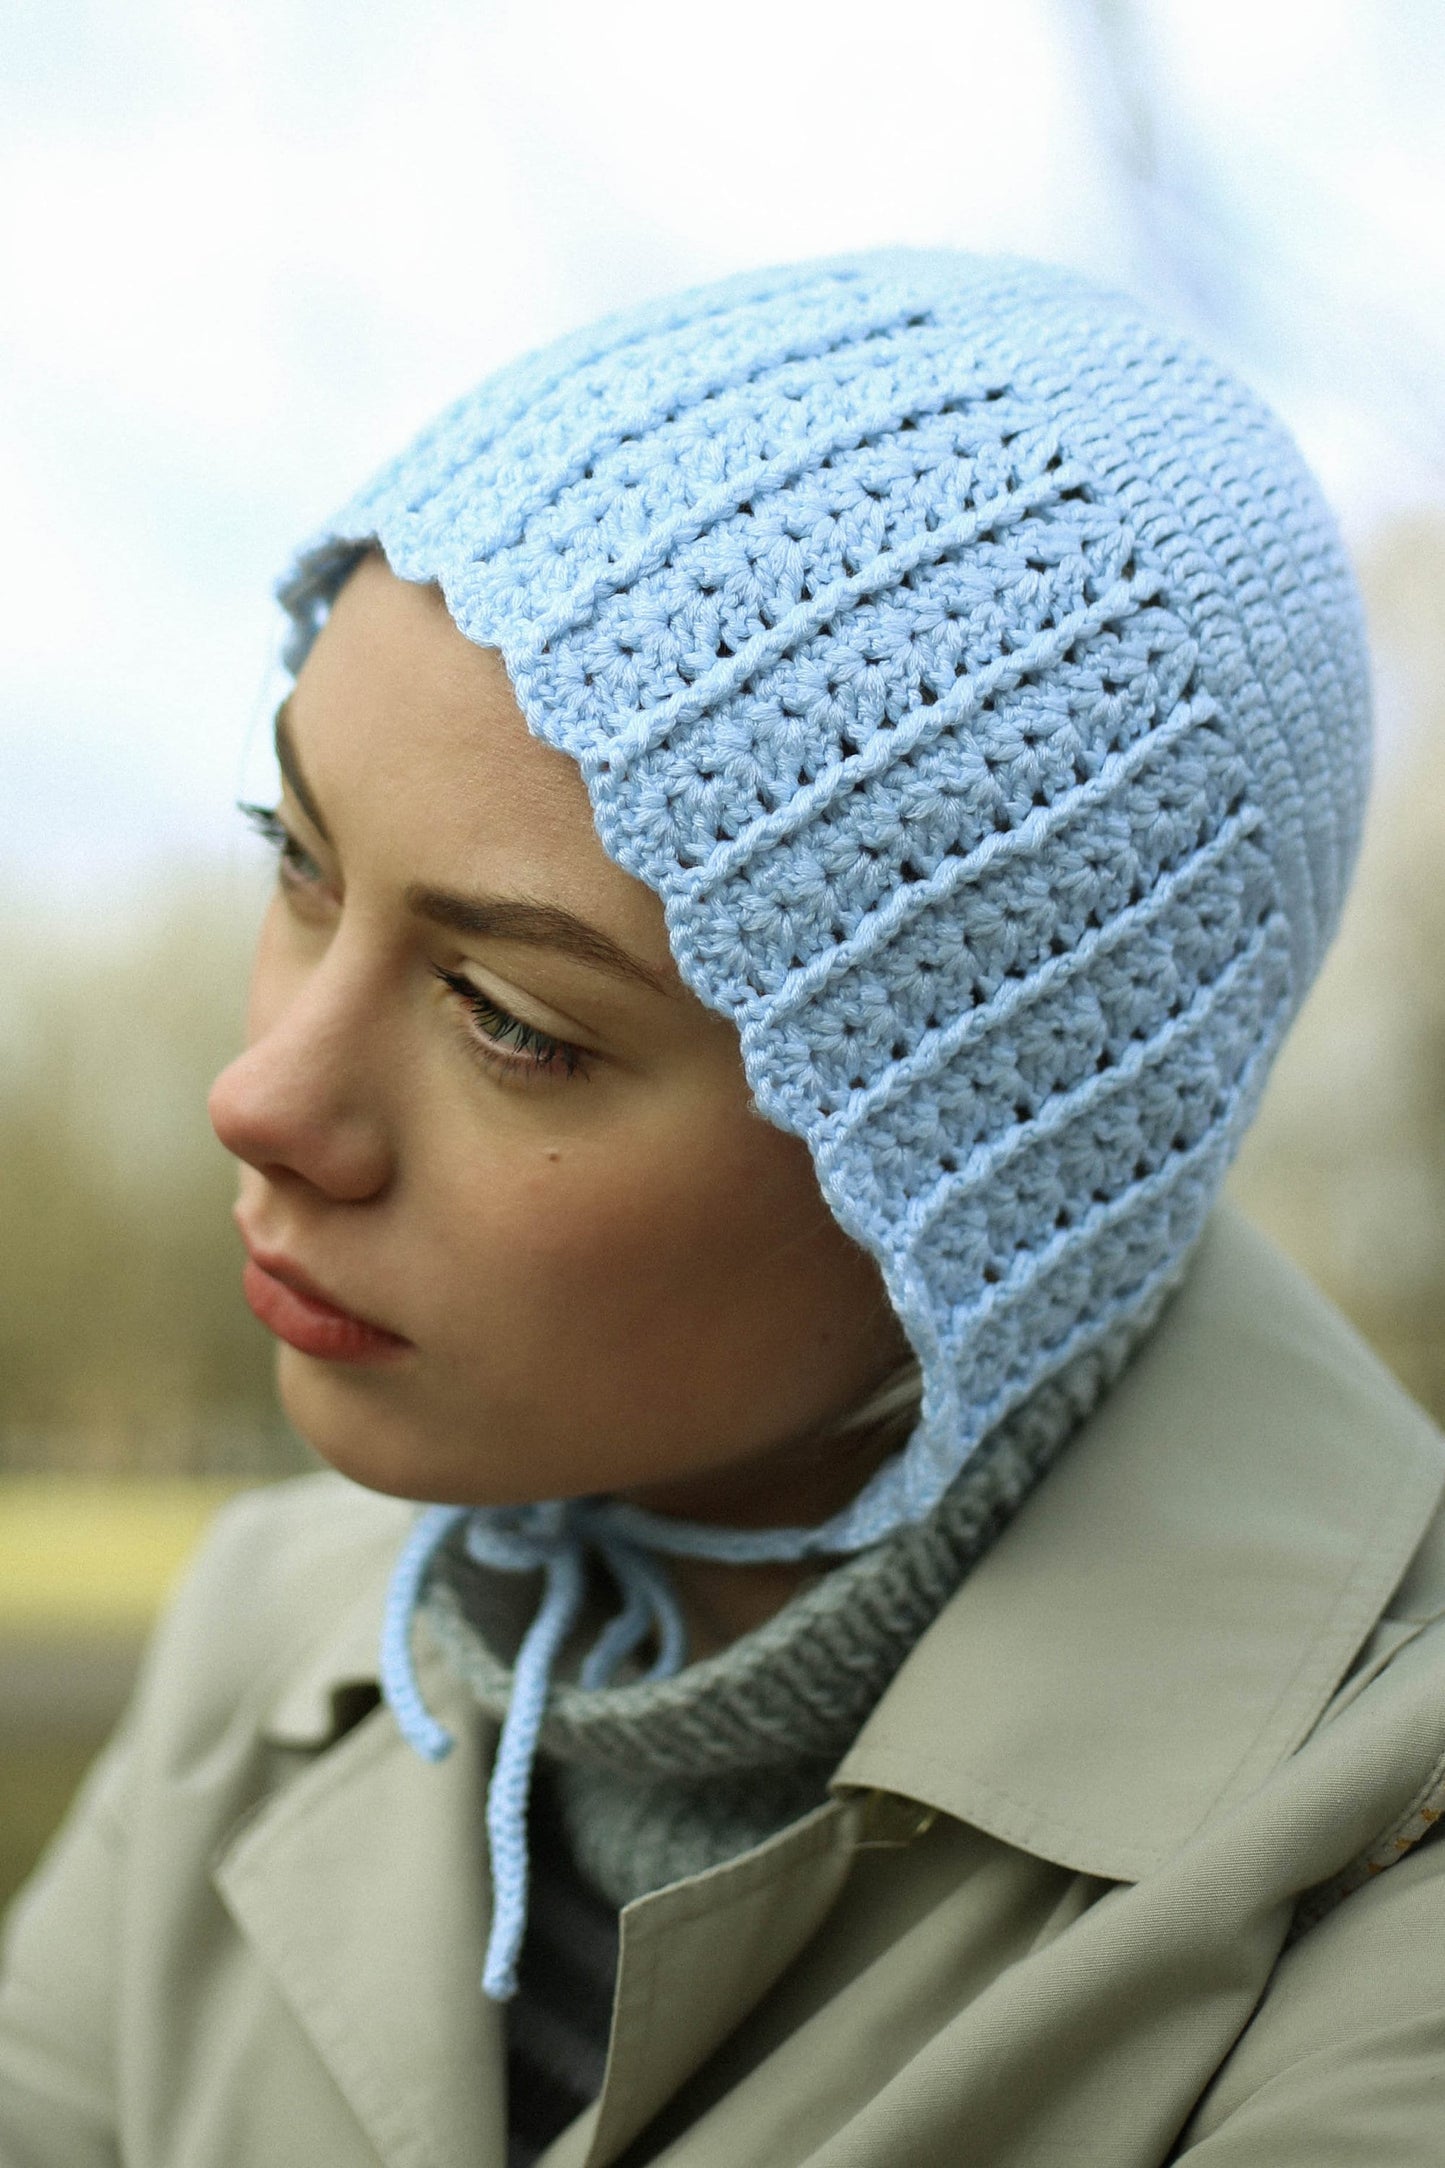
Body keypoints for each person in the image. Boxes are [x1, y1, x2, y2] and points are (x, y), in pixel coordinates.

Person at [3, 248, 1444, 2168]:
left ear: (984, 1190)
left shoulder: (1374, 1879)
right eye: (300, 860)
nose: (259, 1099)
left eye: (510, 1021)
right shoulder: (276, 1626)